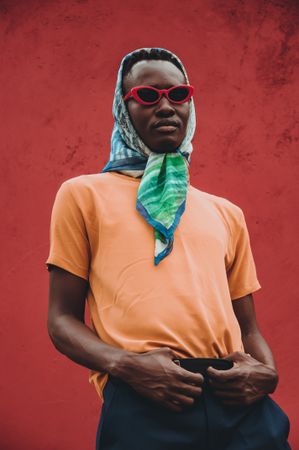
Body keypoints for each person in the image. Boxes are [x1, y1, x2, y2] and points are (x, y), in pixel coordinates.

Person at [46, 47, 291, 450]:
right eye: (146, 95)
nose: (165, 106)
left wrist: (268, 373)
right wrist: (128, 367)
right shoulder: (82, 195)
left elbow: (247, 327)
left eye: (178, 95)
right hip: (145, 396)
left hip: (239, 400)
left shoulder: (226, 213)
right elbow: (60, 321)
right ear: (122, 109)